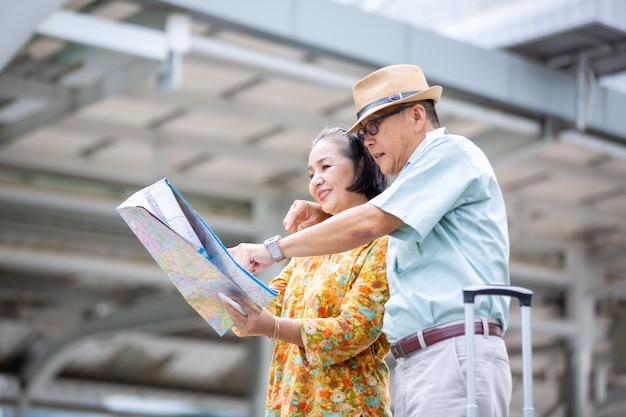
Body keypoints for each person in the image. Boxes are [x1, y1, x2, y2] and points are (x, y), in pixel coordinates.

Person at [229, 64, 513, 417]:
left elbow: (369, 225)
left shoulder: (450, 154)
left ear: (417, 115)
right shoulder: (406, 192)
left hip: (452, 348)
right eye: (363, 133)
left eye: (374, 127)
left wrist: (272, 249)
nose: (368, 140)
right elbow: (372, 219)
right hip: (418, 359)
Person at [222, 127, 392, 417]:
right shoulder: (309, 248)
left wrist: (271, 326)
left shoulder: (383, 242)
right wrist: (222, 275)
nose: (317, 180)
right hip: (291, 405)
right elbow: (268, 302)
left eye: (326, 167)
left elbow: (354, 331)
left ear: (361, 165)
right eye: (311, 173)